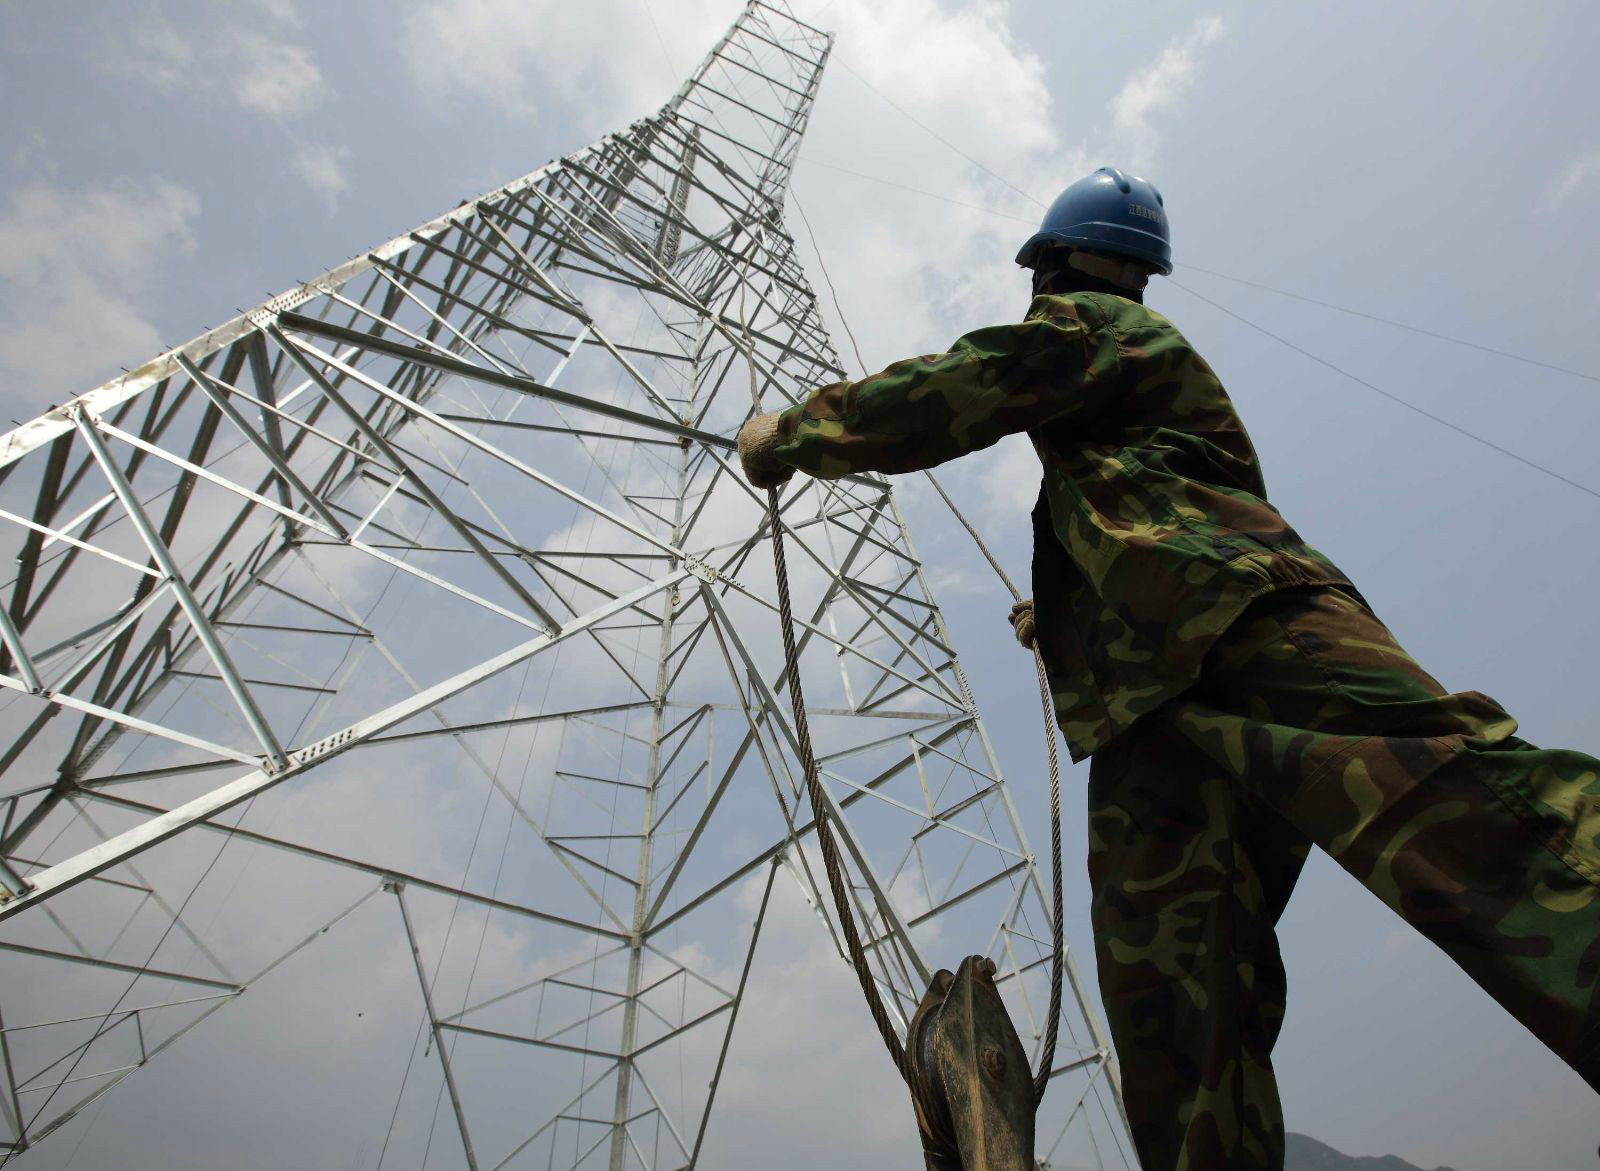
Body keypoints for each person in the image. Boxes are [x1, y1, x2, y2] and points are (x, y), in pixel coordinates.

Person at [736, 166, 1600, 1171]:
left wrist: (795, 433)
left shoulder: (1097, 330)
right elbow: (1138, 520)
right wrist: (1062, 620)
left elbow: (961, 386)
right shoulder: (1113, 410)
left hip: (1250, 626)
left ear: (1058, 264)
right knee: (1173, 1003)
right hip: (1151, 708)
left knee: (1473, 817)